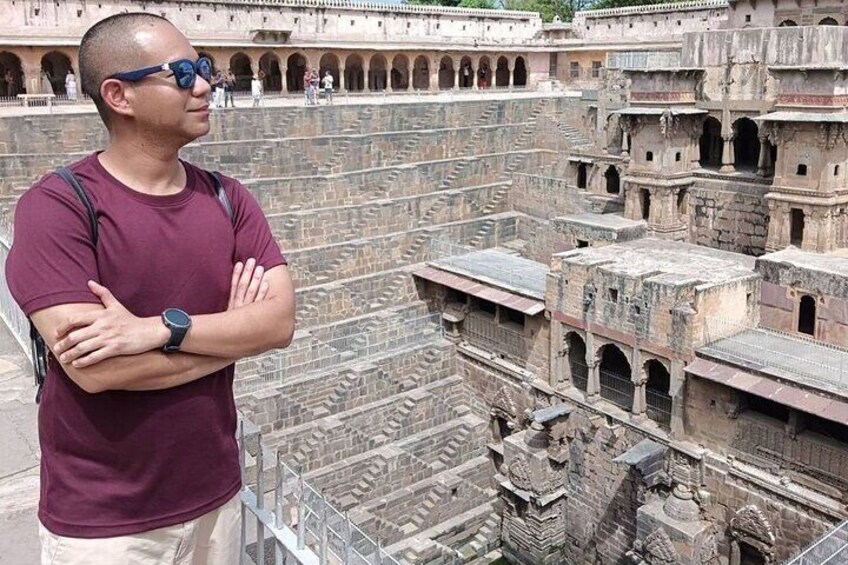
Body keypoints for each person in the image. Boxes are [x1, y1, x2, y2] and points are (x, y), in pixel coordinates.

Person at [5, 12, 295, 565]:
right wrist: (232, 336)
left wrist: (160, 329)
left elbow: (278, 323)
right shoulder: (59, 207)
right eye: (182, 73)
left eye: (203, 67)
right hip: (106, 525)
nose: (205, 85)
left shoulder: (229, 200)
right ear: (119, 95)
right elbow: (99, 369)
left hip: (217, 499)